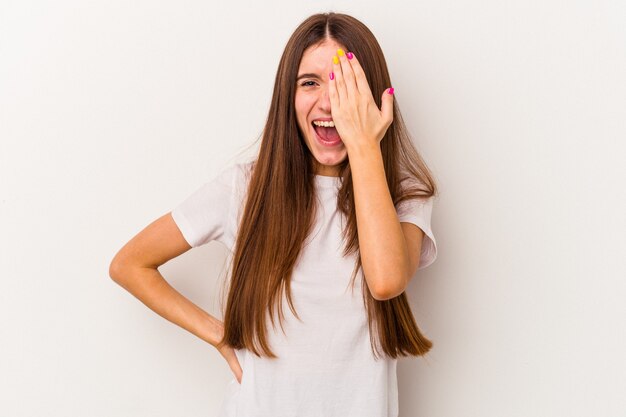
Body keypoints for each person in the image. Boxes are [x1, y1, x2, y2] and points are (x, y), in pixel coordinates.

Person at [109, 11, 438, 417]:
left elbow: (387, 281)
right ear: (288, 96)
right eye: (310, 83)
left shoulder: (406, 195)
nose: (329, 100)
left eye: (345, 84)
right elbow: (129, 264)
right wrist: (219, 335)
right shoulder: (245, 189)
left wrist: (365, 144)